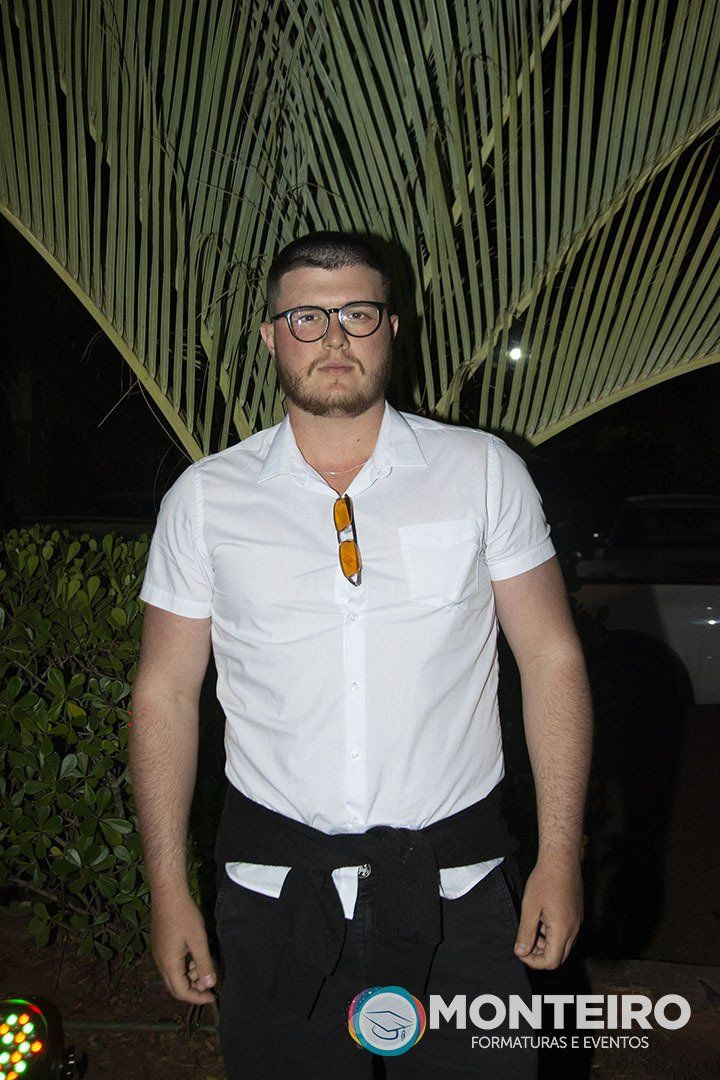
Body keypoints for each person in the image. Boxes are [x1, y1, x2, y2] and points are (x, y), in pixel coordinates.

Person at [129, 231, 593, 1078]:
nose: (334, 337)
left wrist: (560, 858)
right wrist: (167, 890)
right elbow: (164, 693)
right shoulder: (204, 500)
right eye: (306, 317)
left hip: (458, 892)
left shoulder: (482, 472)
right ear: (271, 337)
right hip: (274, 895)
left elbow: (552, 659)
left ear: (391, 328)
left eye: (357, 314)